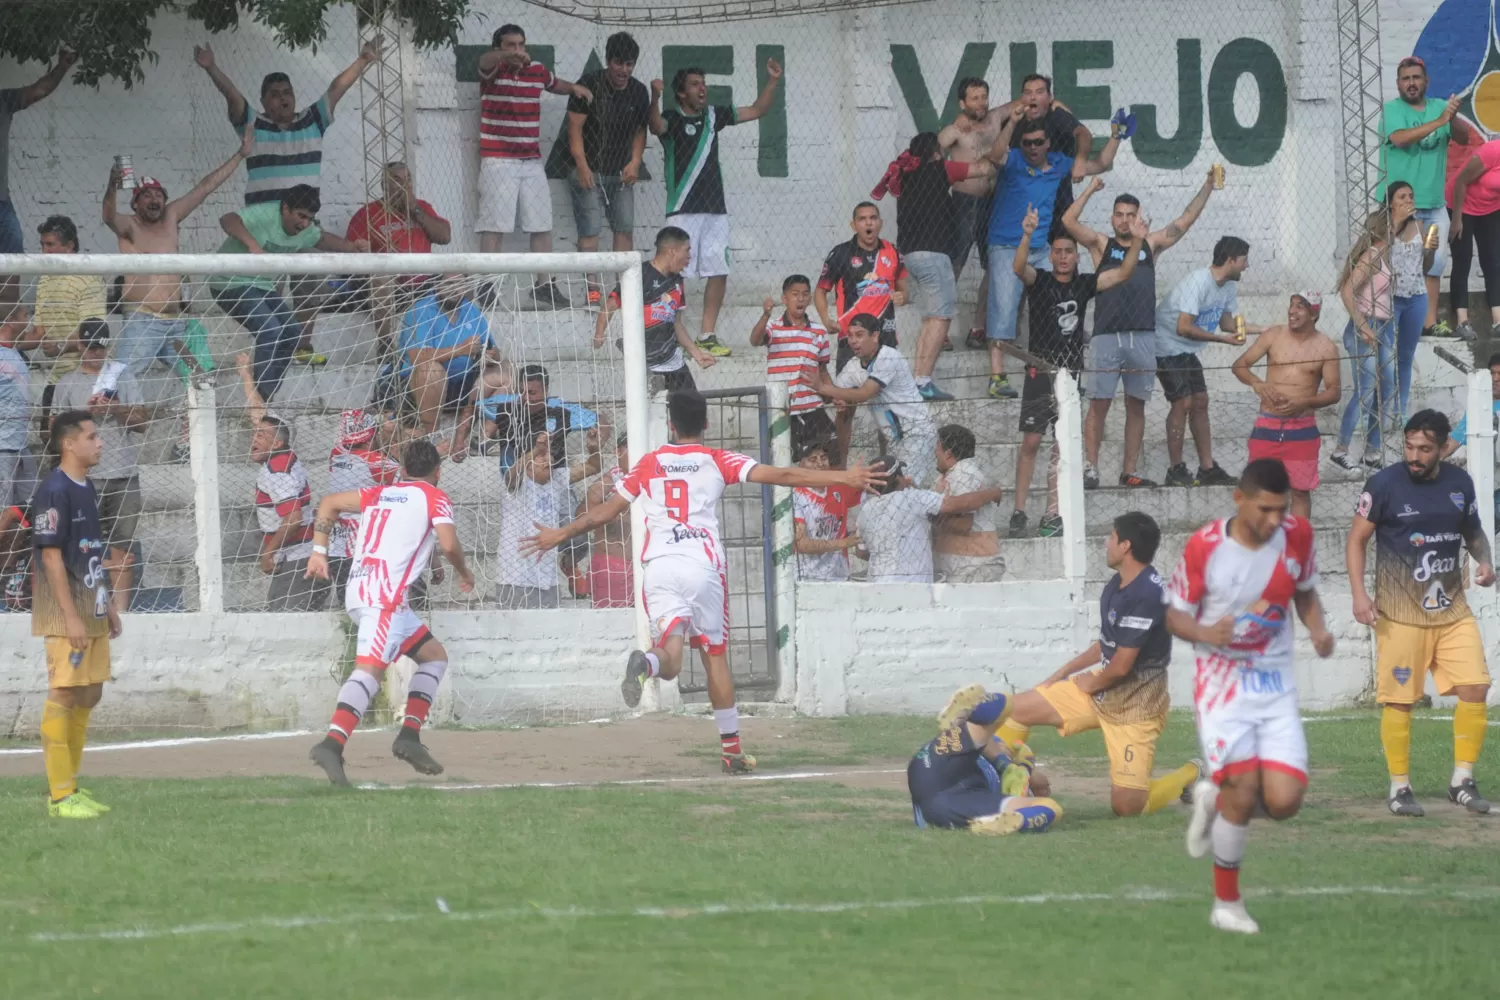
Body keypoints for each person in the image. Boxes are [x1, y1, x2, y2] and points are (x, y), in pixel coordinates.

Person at [520, 389, 883, 772]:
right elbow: (785, 473)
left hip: (658, 567)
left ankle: (646, 664)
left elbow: (604, 513)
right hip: (702, 566)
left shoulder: (649, 463)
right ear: (706, 423)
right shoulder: (717, 460)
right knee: (714, 659)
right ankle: (731, 752)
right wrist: (846, 476)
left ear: (671, 425)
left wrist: (558, 535)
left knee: (671, 659)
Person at [1169, 459, 1337, 935]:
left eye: (1280, 510)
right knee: (1243, 787)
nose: (1272, 521)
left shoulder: (1297, 535)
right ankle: (1227, 905)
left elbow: (1304, 593)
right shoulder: (1205, 547)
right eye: (1264, 509)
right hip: (1222, 683)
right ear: (1239, 499)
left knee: (1285, 803)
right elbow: (1175, 616)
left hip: (1275, 683)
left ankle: (1215, 803)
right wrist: (1207, 631)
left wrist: (1319, 631)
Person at [996, 511, 1202, 816]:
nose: (1106, 543)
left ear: (1126, 546)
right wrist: (1066, 671)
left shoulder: (1148, 594)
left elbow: (1121, 666)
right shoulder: (1117, 585)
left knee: (1127, 807)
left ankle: (1193, 772)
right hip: (1100, 688)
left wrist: (1088, 683)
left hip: (1134, 707)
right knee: (1015, 709)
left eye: (1112, 537)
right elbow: (1108, 644)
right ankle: (1004, 787)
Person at [1346, 410, 1495, 817]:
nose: (1415, 455)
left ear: (1444, 448)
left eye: (1425, 449)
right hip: (1399, 613)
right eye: (1410, 446)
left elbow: (1473, 530)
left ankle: (1462, 780)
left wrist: (1485, 562)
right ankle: (1399, 787)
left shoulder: (1460, 484)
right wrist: (1360, 595)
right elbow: (1357, 540)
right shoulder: (1383, 484)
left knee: (1476, 687)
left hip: (1452, 610)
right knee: (1400, 701)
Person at [305, 439, 476, 785]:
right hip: (385, 598)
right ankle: (332, 743)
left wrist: (318, 552)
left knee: (434, 656)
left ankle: (409, 736)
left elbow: (329, 503)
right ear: (438, 472)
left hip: (362, 590)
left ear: (402, 470)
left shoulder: (381, 493)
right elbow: (447, 542)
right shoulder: (435, 497)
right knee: (369, 672)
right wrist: (464, 571)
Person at [1067, 170, 1218, 487]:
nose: (1125, 221)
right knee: (1099, 405)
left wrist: (1206, 185)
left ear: (1139, 218)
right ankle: (1090, 468)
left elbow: (1184, 222)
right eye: (1120, 215)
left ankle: (1129, 471)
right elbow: (1068, 223)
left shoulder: (1149, 245)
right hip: (1106, 336)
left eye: (1131, 215)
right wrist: (1091, 190)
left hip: (1143, 336)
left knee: (1136, 406)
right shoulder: (1100, 244)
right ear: (1112, 219)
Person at [1010, 204, 1144, 536]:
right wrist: (1027, 234)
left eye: (1070, 251)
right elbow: (1017, 267)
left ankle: (1051, 513)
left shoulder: (1085, 284)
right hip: (1039, 372)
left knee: (1060, 446)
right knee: (1030, 442)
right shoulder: (1039, 280)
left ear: (1077, 256)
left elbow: (1124, 273)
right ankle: (1019, 510)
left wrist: (1138, 241)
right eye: (1058, 252)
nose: (1064, 256)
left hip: (1070, 376)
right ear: (1052, 256)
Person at [649, 59, 783, 357]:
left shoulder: (714, 116)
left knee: (719, 269)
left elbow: (758, 110)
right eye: (695, 84)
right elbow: (655, 125)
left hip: (715, 210)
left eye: (703, 84)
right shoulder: (671, 118)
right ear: (681, 93)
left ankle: (707, 334)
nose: (702, 89)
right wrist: (655, 98)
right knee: (674, 271)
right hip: (682, 209)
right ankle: (670, 334)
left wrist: (772, 81)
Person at [105, 130, 253, 379]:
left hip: (175, 324)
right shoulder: (129, 227)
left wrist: (240, 155)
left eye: (159, 194)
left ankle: (194, 419)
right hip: (143, 322)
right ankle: (99, 418)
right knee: (117, 382)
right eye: (146, 195)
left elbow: (205, 187)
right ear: (134, 204)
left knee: (200, 377)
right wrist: (111, 186)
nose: (154, 199)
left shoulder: (171, 218)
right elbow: (108, 216)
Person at [31, 409, 121, 819]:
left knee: (92, 691)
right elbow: (51, 558)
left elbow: (90, 552)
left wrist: (110, 605)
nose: (99, 442)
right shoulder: (54, 490)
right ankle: (60, 795)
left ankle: (73, 787)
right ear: (70, 443)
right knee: (65, 691)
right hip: (64, 606)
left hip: (93, 603)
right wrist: (70, 617)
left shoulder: (88, 487)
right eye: (92, 436)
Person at [212, 185, 367, 401]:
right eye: (301, 215)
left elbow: (321, 239)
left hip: (262, 286)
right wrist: (253, 247)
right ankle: (261, 402)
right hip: (229, 282)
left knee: (293, 332)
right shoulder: (265, 214)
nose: (304, 223)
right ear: (285, 209)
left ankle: (265, 396)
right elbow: (227, 219)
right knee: (271, 330)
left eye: (309, 218)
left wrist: (351, 247)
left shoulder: (305, 230)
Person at [476, 24, 592, 309]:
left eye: (521, 45)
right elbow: (483, 62)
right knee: (495, 226)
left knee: (541, 224)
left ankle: (544, 285)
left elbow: (554, 83)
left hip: (531, 160)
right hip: (497, 159)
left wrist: (574, 87)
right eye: (510, 45)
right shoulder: (494, 69)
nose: (517, 50)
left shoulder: (536, 69)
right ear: (499, 47)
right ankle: (487, 286)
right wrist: (503, 58)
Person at [873, 132, 994, 400]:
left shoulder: (904, 176)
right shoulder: (941, 168)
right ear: (936, 153)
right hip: (933, 253)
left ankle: (918, 379)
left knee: (931, 319)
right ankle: (922, 380)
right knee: (940, 318)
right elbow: (983, 169)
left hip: (911, 255)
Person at [194, 39, 380, 204]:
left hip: (302, 226)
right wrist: (212, 68)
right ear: (263, 102)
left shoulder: (313, 120)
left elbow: (337, 88)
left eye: (287, 92)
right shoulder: (253, 124)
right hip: (261, 227)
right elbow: (232, 95)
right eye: (274, 95)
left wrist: (362, 61)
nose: (283, 98)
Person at [52, 320, 147, 615]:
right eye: (91, 347)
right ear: (80, 346)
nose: (96, 353)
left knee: (123, 545)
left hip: (124, 474)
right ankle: (82, 604)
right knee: (81, 543)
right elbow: (53, 434)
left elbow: (143, 423)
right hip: (84, 478)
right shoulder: (67, 383)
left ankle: (121, 610)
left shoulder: (124, 376)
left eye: (101, 347)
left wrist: (116, 408)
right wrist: (88, 414)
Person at [1153, 236, 1257, 487]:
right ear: (1230, 260)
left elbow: (1227, 323)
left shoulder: (1229, 286)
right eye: (1244, 260)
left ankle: (1207, 468)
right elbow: (1183, 327)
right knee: (1183, 401)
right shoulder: (1198, 281)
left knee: (1200, 401)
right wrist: (1223, 340)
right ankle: (1175, 469)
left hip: (1187, 349)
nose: (1246, 266)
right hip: (1165, 344)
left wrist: (1268, 329)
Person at [1382, 55, 1470, 338]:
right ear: (1398, 84)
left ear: (1426, 81)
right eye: (1406, 78)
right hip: (1401, 208)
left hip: (1433, 206)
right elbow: (1400, 138)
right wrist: (1439, 121)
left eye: (1416, 77)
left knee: (1434, 263)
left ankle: (1428, 324)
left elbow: (1464, 137)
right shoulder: (1392, 110)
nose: (1411, 83)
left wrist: (1451, 118)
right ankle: (1392, 323)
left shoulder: (1440, 107)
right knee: (1396, 264)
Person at [1232, 293, 1341, 519]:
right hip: (1267, 425)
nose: (1292, 311)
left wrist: (1304, 402)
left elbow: (1334, 392)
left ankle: (1297, 547)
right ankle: (1257, 544)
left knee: (1300, 492)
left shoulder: (1326, 347)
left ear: (1314, 314)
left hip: (1302, 428)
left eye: (1300, 307)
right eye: (1291, 306)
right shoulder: (1273, 336)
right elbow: (1240, 365)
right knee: (1256, 488)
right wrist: (1257, 384)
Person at [563, 31, 649, 304]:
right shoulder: (588, 85)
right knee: (590, 230)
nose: (624, 70)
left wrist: (635, 161)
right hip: (588, 168)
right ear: (608, 62)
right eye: (619, 63)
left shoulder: (638, 90)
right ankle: (592, 290)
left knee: (624, 229)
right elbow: (574, 129)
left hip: (621, 171)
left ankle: (620, 290)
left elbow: (640, 130)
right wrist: (582, 166)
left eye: (629, 64)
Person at [908, 684, 1062, 835]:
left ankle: (1018, 820)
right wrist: (1008, 764)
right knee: (1002, 707)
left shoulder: (1007, 786)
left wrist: (1024, 774)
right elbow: (991, 743)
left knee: (1049, 806)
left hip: (936, 784)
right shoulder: (998, 752)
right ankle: (966, 712)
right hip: (943, 788)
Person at [813, 313, 938, 487]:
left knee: (906, 489)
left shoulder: (888, 357)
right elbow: (833, 396)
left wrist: (823, 387)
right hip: (895, 439)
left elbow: (865, 393)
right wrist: (821, 368)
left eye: (859, 335)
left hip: (916, 433)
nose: (853, 341)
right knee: (894, 493)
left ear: (875, 336)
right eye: (850, 335)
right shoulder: (853, 366)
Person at [236, 355, 320, 612]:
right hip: (301, 555)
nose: (254, 438)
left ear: (277, 444)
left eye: (261, 436)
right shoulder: (283, 455)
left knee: (284, 618)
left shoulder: (277, 473)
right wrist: (246, 376)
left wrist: (268, 553)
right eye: (254, 434)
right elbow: (260, 414)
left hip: (297, 558)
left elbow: (293, 518)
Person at [346, 161, 452, 356]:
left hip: (423, 283)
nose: (405, 185)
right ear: (384, 185)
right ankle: (386, 346)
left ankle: (465, 339)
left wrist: (415, 210)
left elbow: (444, 237)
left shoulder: (422, 207)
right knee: (380, 275)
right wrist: (365, 251)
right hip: (389, 287)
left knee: (457, 274)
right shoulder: (367, 213)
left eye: (408, 179)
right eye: (397, 179)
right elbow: (352, 255)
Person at [0, 48, 76, 307]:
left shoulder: (3, 100)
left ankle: (6, 330)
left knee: (13, 259)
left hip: (1, 203)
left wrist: (62, 67)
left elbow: (39, 90)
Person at [495, 427, 604, 609]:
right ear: (528, 461)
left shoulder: (558, 478)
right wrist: (537, 449)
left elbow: (593, 467)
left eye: (549, 455)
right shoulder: (516, 485)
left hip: (548, 579)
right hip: (515, 579)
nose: (549, 460)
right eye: (541, 456)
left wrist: (594, 449)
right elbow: (510, 477)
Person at [595, 225, 713, 390]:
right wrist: (599, 334)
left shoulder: (677, 281)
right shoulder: (639, 274)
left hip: (672, 359)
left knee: (693, 410)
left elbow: (676, 323)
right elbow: (610, 306)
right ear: (672, 251)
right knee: (656, 411)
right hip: (645, 363)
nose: (690, 257)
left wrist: (697, 353)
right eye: (687, 250)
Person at [854, 455, 1004, 584]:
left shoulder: (866, 509)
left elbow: (861, 552)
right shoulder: (913, 498)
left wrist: (891, 552)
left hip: (878, 584)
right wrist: (992, 493)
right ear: (898, 478)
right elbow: (957, 504)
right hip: (913, 587)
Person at [396, 277, 494, 460]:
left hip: (464, 381)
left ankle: (479, 440)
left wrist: (492, 356)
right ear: (436, 284)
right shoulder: (420, 310)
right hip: (421, 385)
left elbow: (492, 347)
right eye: (449, 284)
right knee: (431, 370)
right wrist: (460, 350)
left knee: (505, 370)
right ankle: (432, 439)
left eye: (460, 285)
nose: (455, 289)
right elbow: (418, 357)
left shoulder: (471, 310)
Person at [1330, 210, 1398, 472]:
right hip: (1365, 326)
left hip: (1383, 326)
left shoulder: (1386, 254)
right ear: (1386, 229)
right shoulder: (1372, 255)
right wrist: (1362, 325)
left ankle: (1372, 450)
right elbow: (1347, 290)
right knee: (1366, 391)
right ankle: (1341, 450)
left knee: (1388, 386)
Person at [31, 216, 105, 431]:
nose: (45, 251)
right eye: (42, 245)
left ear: (70, 245)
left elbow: (93, 332)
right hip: (57, 377)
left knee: (78, 442)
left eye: (50, 245)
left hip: (84, 375)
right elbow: (38, 331)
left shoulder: (87, 277)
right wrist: (8, 343)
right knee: (50, 439)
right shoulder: (45, 277)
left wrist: (61, 346)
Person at [815, 202, 909, 370]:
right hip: (852, 338)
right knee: (848, 393)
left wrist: (902, 297)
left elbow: (904, 290)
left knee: (886, 394)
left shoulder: (893, 251)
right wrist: (826, 319)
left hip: (885, 337)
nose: (868, 223)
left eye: (873, 218)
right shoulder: (841, 253)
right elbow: (820, 290)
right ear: (854, 225)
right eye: (862, 219)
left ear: (880, 223)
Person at [750, 274, 834, 453]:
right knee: (787, 463)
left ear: (810, 298)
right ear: (785, 299)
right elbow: (755, 340)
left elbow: (823, 370)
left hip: (813, 407)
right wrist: (765, 315)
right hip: (784, 410)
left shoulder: (819, 331)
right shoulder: (773, 327)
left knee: (828, 454)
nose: (800, 299)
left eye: (805, 294)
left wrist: (834, 395)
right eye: (795, 294)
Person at [1385, 182, 1436, 417]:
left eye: (1411, 196)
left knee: (1405, 355)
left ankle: (1400, 411)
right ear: (1390, 202)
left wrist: (1431, 251)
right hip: (1389, 297)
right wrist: (1395, 223)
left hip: (1416, 297)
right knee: (1385, 356)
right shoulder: (1380, 225)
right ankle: (1381, 407)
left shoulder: (1419, 225)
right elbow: (1377, 256)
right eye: (1401, 197)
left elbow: (1424, 267)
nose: (1408, 201)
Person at [1446, 133, 1500, 342]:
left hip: (1491, 208)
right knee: (1463, 260)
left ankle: (1497, 321)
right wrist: (1457, 219)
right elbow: (1460, 181)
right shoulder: (1493, 151)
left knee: (1494, 262)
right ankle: (1462, 322)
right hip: (1462, 205)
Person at [932, 424, 1003, 582]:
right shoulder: (948, 475)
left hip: (974, 567)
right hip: (961, 566)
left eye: (937, 448)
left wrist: (931, 517)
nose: (934, 453)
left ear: (948, 453)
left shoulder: (964, 473)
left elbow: (963, 525)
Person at [791, 436, 861, 583]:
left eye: (823, 458)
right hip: (808, 577)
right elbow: (801, 544)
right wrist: (843, 543)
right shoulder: (796, 496)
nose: (820, 464)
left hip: (840, 576)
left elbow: (871, 492)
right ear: (801, 465)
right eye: (812, 460)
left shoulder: (839, 489)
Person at [577, 436, 634, 608]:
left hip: (646, 568)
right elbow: (581, 516)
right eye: (633, 447)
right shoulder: (607, 483)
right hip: (613, 568)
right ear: (618, 451)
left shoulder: (654, 479)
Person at [0, 306, 38, 512]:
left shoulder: (12, 349)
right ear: (11, 321)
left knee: (28, 512)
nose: (30, 320)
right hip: (2, 449)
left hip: (21, 446)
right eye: (26, 315)